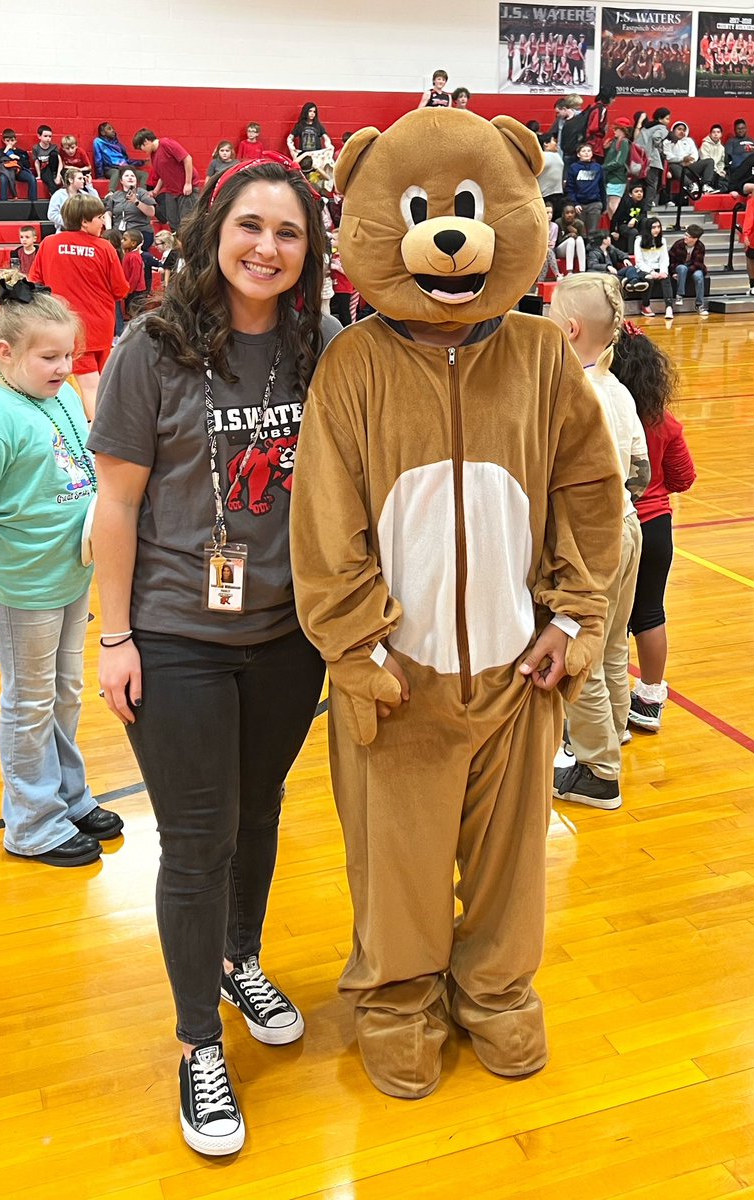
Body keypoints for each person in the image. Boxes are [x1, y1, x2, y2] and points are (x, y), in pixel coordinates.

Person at [290, 108, 624, 1104]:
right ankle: (397, 1002)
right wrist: (357, 649)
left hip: (519, 673)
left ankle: (494, 991)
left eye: (471, 210)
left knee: (512, 859)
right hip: (399, 682)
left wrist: (573, 619)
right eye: (426, 212)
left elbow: (588, 492)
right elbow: (325, 522)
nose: (449, 235)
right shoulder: (350, 364)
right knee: (394, 863)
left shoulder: (537, 356)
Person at [87, 154, 339, 1157]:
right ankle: (199, 1045)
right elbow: (116, 504)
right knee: (198, 843)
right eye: (249, 227)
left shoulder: (321, 343)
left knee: (261, 811)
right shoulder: (150, 348)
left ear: (308, 250)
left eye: (287, 233)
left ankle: (241, 959)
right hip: (178, 636)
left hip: (286, 636)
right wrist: (113, 638)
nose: (266, 248)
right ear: (211, 232)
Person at [0, 274, 123, 867]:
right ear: (5, 353)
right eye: (49, 357)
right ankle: (31, 823)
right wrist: (4, 537)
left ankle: (67, 797)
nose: (65, 367)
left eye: (69, 354)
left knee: (64, 693)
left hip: (68, 574)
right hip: (23, 585)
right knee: (29, 702)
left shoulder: (56, 394)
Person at [549, 274, 648, 809]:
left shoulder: (573, 392)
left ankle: (597, 770)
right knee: (612, 643)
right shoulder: (619, 390)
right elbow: (642, 470)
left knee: (578, 649)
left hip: (593, 539)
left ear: (568, 329)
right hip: (630, 527)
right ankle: (613, 732)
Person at [611, 325, 695, 733]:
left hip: (616, 526)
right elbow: (684, 478)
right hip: (657, 527)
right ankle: (648, 698)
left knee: (610, 619)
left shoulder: (604, 412)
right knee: (650, 613)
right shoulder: (665, 422)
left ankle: (609, 706)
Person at [30, 194, 129, 421]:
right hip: (101, 325)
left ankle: (97, 436)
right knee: (98, 383)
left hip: (68, 326)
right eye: (99, 218)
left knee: (90, 384)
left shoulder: (48, 244)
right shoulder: (104, 248)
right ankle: (102, 438)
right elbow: (121, 290)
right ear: (84, 221)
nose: (103, 223)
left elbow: (35, 282)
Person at [132, 128, 200, 233]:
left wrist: (188, 183)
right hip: (172, 191)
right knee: (173, 222)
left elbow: (187, 159)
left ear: (146, 141)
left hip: (185, 190)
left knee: (187, 223)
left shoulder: (166, 144)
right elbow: (162, 174)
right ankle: (178, 247)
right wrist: (156, 191)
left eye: (141, 148)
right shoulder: (153, 155)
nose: (142, 151)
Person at [104, 168, 157, 250]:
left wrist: (136, 202)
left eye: (132, 176)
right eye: (127, 176)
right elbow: (108, 212)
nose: (130, 178)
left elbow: (151, 212)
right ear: (121, 181)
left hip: (139, 232)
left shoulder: (142, 193)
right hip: (119, 232)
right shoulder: (115, 195)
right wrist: (109, 230)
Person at [634, 217, 674, 319]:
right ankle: (645, 305)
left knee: (666, 278)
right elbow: (639, 262)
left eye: (658, 227)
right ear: (648, 228)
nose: (657, 230)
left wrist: (663, 271)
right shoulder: (638, 240)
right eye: (654, 227)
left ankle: (669, 307)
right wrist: (651, 271)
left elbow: (664, 259)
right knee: (649, 278)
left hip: (658, 267)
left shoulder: (662, 241)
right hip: (643, 268)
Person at [665, 121, 715, 197]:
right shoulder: (667, 142)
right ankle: (691, 186)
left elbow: (695, 154)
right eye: (679, 129)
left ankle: (705, 185)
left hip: (690, 166)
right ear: (673, 130)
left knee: (709, 161)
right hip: (677, 169)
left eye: (683, 130)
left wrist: (690, 162)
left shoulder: (689, 141)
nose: (681, 132)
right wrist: (682, 159)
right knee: (673, 166)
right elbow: (668, 157)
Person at [93, 122, 149, 190]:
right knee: (116, 173)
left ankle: (142, 194)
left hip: (123, 168)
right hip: (110, 168)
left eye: (113, 128)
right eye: (109, 129)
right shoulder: (98, 142)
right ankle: (111, 193)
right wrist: (100, 176)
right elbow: (98, 160)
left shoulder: (118, 144)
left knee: (144, 175)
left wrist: (141, 162)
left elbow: (126, 160)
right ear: (102, 132)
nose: (113, 130)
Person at [566, 142, 606, 235]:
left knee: (593, 233)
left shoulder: (597, 167)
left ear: (592, 153)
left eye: (589, 151)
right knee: (581, 233)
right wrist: (575, 203)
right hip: (579, 205)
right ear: (578, 154)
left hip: (594, 204)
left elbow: (601, 186)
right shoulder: (573, 168)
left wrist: (603, 204)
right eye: (583, 151)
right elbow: (570, 188)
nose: (587, 153)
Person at [669, 224, 709, 317]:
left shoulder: (700, 247)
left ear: (695, 239)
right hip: (679, 267)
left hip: (694, 268)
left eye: (688, 236)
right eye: (685, 234)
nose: (685, 237)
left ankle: (699, 305)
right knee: (682, 268)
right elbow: (671, 260)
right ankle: (679, 295)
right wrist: (673, 273)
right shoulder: (678, 244)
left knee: (699, 276)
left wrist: (686, 273)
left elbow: (698, 264)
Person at [48, 167, 99, 233]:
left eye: (83, 178)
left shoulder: (84, 194)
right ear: (70, 180)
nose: (83, 181)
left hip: (82, 231)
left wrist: (89, 186)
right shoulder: (59, 194)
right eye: (80, 179)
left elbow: (97, 204)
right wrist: (69, 222)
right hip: (64, 231)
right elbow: (51, 214)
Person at [636, 108, 671, 207]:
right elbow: (656, 137)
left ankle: (638, 205)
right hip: (652, 160)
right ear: (660, 119)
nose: (668, 121)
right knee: (652, 184)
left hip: (640, 159)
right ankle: (647, 207)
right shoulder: (662, 128)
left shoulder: (646, 127)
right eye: (667, 119)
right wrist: (658, 146)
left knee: (640, 184)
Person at [0, 129, 38, 202]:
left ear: (15, 140)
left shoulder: (21, 152)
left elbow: (27, 165)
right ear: (3, 141)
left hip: (18, 171)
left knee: (32, 178)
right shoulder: (0, 151)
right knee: (3, 179)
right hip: (6, 172)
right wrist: (5, 151)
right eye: (7, 141)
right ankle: (3, 203)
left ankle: (33, 202)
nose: (10, 143)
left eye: (12, 140)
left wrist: (18, 157)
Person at [603, 117, 632, 216]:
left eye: (616, 129)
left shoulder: (623, 142)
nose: (614, 130)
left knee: (613, 205)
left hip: (617, 178)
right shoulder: (615, 141)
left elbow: (619, 161)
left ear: (622, 130)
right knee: (610, 206)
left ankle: (615, 228)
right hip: (612, 177)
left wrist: (603, 167)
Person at [611, 181, 648, 252]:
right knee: (633, 232)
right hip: (624, 225)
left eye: (641, 191)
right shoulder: (625, 202)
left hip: (636, 224)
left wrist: (635, 219)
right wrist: (614, 231)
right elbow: (616, 217)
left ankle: (645, 248)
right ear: (630, 194)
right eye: (636, 191)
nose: (639, 193)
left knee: (646, 221)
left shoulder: (643, 202)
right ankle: (631, 254)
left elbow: (644, 214)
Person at [538, 131, 564, 216]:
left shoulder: (557, 155)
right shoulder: (540, 156)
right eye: (554, 141)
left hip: (558, 193)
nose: (556, 144)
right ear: (546, 143)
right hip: (545, 195)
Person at [120, 228, 146, 316]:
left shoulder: (134, 257)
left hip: (135, 290)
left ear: (133, 243)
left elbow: (135, 276)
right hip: (130, 289)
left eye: (125, 239)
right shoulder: (128, 254)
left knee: (135, 312)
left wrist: (129, 290)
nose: (122, 241)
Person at [556, 201, 586, 272]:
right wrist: (568, 235)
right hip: (561, 250)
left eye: (572, 213)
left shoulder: (579, 224)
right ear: (563, 214)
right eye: (567, 213)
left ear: (575, 214)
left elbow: (584, 242)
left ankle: (582, 270)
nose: (570, 215)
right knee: (571, 240)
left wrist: (576, 233)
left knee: (579, 239)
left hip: (576, 250)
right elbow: (557, 242)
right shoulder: (558, 222)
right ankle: (569, 271)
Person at [33, 125, 61, 195]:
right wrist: (39, 175)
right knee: (49, 178)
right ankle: (55, 194)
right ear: (39, 136)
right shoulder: (36, 148)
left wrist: (58, 175)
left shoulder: (54, 147)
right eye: (45, 136)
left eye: (50, 136)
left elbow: (60, 162)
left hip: (53, 169)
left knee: (54, 154)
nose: (48, 138)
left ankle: (54, 177)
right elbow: (36, 162)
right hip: (44, 170)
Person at [699, 124, 728, 190]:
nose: (715, 134)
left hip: (717, 171)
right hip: (706, 170)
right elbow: (705, 160)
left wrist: (721, 170)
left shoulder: (722, 148)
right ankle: (706, 186)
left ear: (721, 134)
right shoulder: (705, 145)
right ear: (710, 134)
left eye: (718, 132)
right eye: (713, 132)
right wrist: (717, 171)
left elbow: (721, 162)